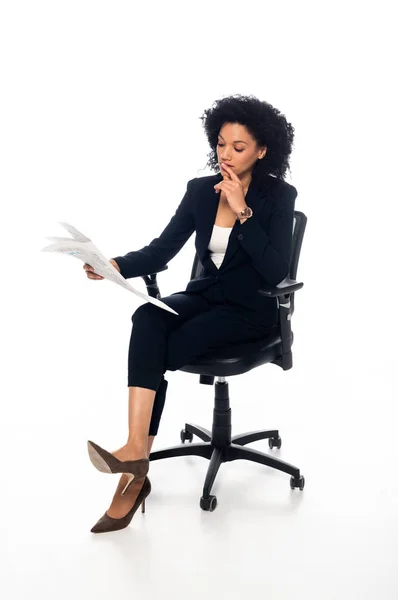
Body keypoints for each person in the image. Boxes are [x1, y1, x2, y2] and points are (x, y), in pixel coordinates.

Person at [83, 94, 298, 533]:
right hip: (205, 296)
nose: (226, 155)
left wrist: (242, 209)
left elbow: (276, 270)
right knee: (147, 318)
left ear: (262, 150)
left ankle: (133, 474)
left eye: (238, 147)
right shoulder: (200, 190)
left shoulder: (279, 195)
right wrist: (114, 266)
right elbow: (163, 248)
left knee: (161, 348)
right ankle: (134, 451)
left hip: (251, 310)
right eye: (220, 144)